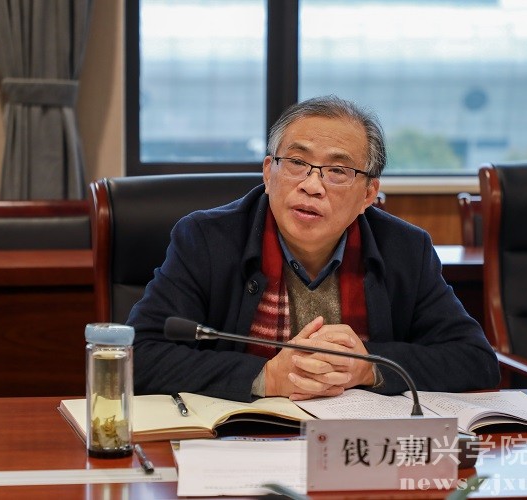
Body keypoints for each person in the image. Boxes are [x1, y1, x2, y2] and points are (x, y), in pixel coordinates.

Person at [127, 95, 500, 402]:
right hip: (244, 438)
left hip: (353, 446)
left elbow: (475, 360)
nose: (312, 185)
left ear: (368, 194)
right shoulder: (206, 240)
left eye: (337, 171)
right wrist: (267, 376)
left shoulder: (405, 250)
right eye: (296, 162)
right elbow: (138, 355)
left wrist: (368, 366)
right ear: (268, 172)